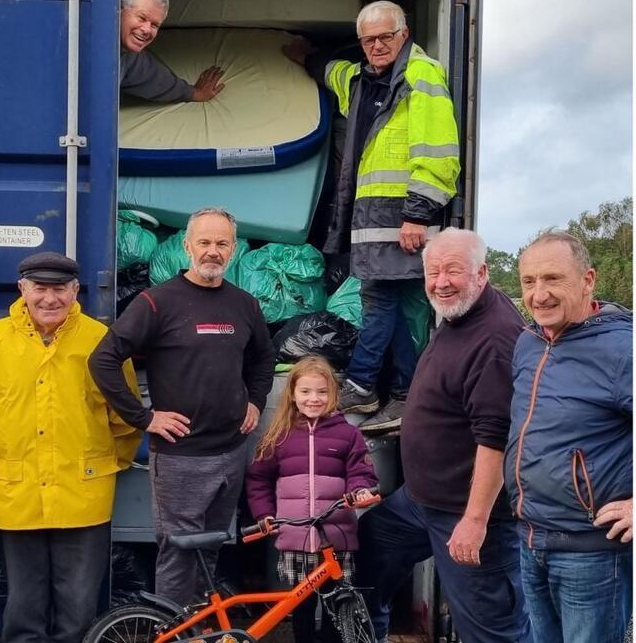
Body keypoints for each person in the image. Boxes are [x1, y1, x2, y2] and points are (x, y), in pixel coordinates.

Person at [283, 0, 460, 430]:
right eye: (369, 40)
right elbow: (334, 72)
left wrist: (418, 214)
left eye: (386, 37)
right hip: (372, 221)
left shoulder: (421, 76)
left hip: (402, 218)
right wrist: (308, 57)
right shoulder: (361, 79)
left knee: (380, 303)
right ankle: (401, 392)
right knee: (393, 306)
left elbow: (439, 152)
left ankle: (363, 385)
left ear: (404, 33)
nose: (378, 46)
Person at [90, 207, 275, 607]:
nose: (213, 251)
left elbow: (263, 357)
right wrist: (144, 417)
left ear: (234, 249)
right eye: (204, 242)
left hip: (230, 452)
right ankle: (174, 633)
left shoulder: (245, 305)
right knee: (177, 556)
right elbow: (102, 360)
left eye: (221, 243)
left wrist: (256, 401)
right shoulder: (156, 303)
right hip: (180, 458)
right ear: (187, 246)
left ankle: (200, 629)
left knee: (210, 550)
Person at [0, 252, 142, 643]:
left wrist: (105, 466)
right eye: (40, 288)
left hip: (83, 496)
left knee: (78, 612)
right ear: (22, 289)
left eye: (60, 289)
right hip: (16, 497)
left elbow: (126, 417)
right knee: (23, 612)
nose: (49, 299)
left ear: (76, 291)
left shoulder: (100, 341)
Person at [355, 228, 532, 643]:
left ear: (482, 273)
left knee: (490, 627)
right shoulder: (460, 314)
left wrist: (474, 521)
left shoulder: (493, 341)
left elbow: (497, 438)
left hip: (465, 511)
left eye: (453, 270)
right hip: (421, 501)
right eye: (433, 272)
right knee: (372, 546)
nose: (440, 282)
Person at [505, 230, 632, 643]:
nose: (539, 295)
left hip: (591, 553)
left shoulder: (621, 350)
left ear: (588, 280)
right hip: (529, 540)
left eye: (553, 279)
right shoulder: (527, 342)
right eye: (529, 282)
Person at [245, 356, 377, 643]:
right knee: (300, 608)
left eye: (322, 392)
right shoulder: (278, 436)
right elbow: (258, 479)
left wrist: (360, 491)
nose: (314, 399)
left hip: (337, 538)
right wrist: (263, 514)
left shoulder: (348, 434)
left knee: (337, 606)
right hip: (295, 537)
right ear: (292, 394)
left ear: (333, 394)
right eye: (305, 392)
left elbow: (361, 472)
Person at [120, 0, 225, 102]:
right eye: (141, 18)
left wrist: (195, 93)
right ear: (119, 12)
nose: (147, 30)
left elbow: (155, 80)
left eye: (154, 25)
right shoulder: (94, 36)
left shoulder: (130, 58)